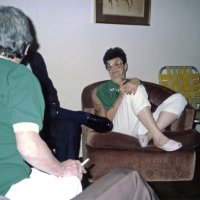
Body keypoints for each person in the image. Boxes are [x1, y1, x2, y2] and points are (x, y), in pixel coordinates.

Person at [0, 6, 85, 200]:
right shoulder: (19, 75)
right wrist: (61, 169)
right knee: (72, 181)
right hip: (7, 184)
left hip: (41, 122)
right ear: (27, 48)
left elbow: (50, 91)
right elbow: (29, 146)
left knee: (67, 125)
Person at [22, 50, 113, 161]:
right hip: (24, 124)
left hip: (48, 118)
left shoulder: (34, 57)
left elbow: (47, 85)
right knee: (42, 109)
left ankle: (69, 175)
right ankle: (82, 116)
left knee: (69, 124)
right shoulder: (6, 67)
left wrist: (52, 104)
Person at [92, 47, 187, 151]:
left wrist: (135, 80)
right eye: (109, 66)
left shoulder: (134, 83)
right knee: (134, 90)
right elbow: (107, 120)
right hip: (119, 126)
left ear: (125, 66)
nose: (113, 68)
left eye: (117, 64)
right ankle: (159, 137)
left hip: (142, 125)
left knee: (180, 99)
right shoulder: (103, 89)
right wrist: (121, 96)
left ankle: (149, 135)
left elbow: (140, 97)